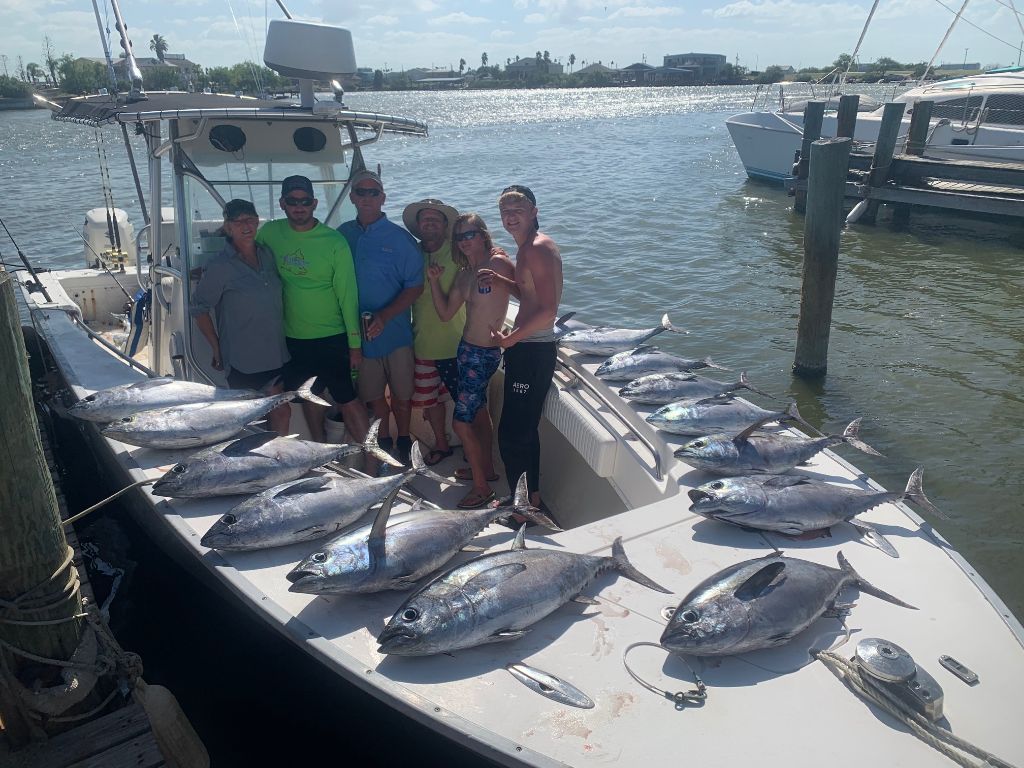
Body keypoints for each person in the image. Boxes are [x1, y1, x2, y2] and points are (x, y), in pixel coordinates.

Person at [255, 175, 370, 444]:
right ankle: (318, 452)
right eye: (293, 201)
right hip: (292, 338)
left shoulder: (334, 241)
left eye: (305, 201)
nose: (299, 206)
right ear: (282, 203)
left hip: (332, 337)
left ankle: (374, 461)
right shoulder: (269, 233)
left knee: (347, 399)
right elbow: (245, 256)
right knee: (310, 395)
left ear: (314, 203)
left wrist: (355, 345)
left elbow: (348, 296)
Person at [427, 213, 514, 508]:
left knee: (461, 423)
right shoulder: (464, 274)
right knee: (478, 414)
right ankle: (487, 471)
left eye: (470, 234)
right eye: (459, 237)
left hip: (485, 354)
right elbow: (445, 314)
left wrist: (514, 332)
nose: (464, 241)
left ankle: (481, 488)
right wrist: (434, 283)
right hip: (465, 350)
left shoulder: (498, 262)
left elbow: (528, 292)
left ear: (483, 234)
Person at [486, 185, 563, 511]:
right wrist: (503, 280)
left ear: (534, 211)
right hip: (529, 350)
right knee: (524, 430)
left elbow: (548, 311)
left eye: (518, 208)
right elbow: (531, 297)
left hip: (532, 351)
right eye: (505, 210)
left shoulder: (536, 249)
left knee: (512, 435)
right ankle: (529, 500)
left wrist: (510, 340)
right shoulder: (530, 248)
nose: (510, 216)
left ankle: (522, 510)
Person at [338, 170, 423, 465]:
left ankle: (403, 438)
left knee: (402, 395)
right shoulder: (341, 235)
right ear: (352, 197)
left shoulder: (401, 239)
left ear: (383, 198)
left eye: (373, 192)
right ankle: (383, 438)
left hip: (396, 334)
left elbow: (416, 285)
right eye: (361, 192)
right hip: (357, 337)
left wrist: (385, 316)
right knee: (373, 396)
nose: (367, 197)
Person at [192, 199, 290, 434]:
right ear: (228, 228)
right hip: (242, 359)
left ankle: (277, 460)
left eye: (250, 220)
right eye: (238, 222)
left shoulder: (268, 255)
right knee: (250, 421)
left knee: (281, 412)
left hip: (275, 354)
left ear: (257, 222)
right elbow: (199, 308)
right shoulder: (220, 266)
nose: (246, 226)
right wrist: (216, 349)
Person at [404, 198, 465, 467]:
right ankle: (442, 444)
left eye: (435, 219)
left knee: (467, 405)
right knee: (431, 402)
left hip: (458, 344)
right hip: (422, 344)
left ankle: (475, 452)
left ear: (445, 225)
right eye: (424, 219)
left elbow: (487, 255)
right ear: (418, 226)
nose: (429, 223)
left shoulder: (458, 253)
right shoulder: (410, 254)